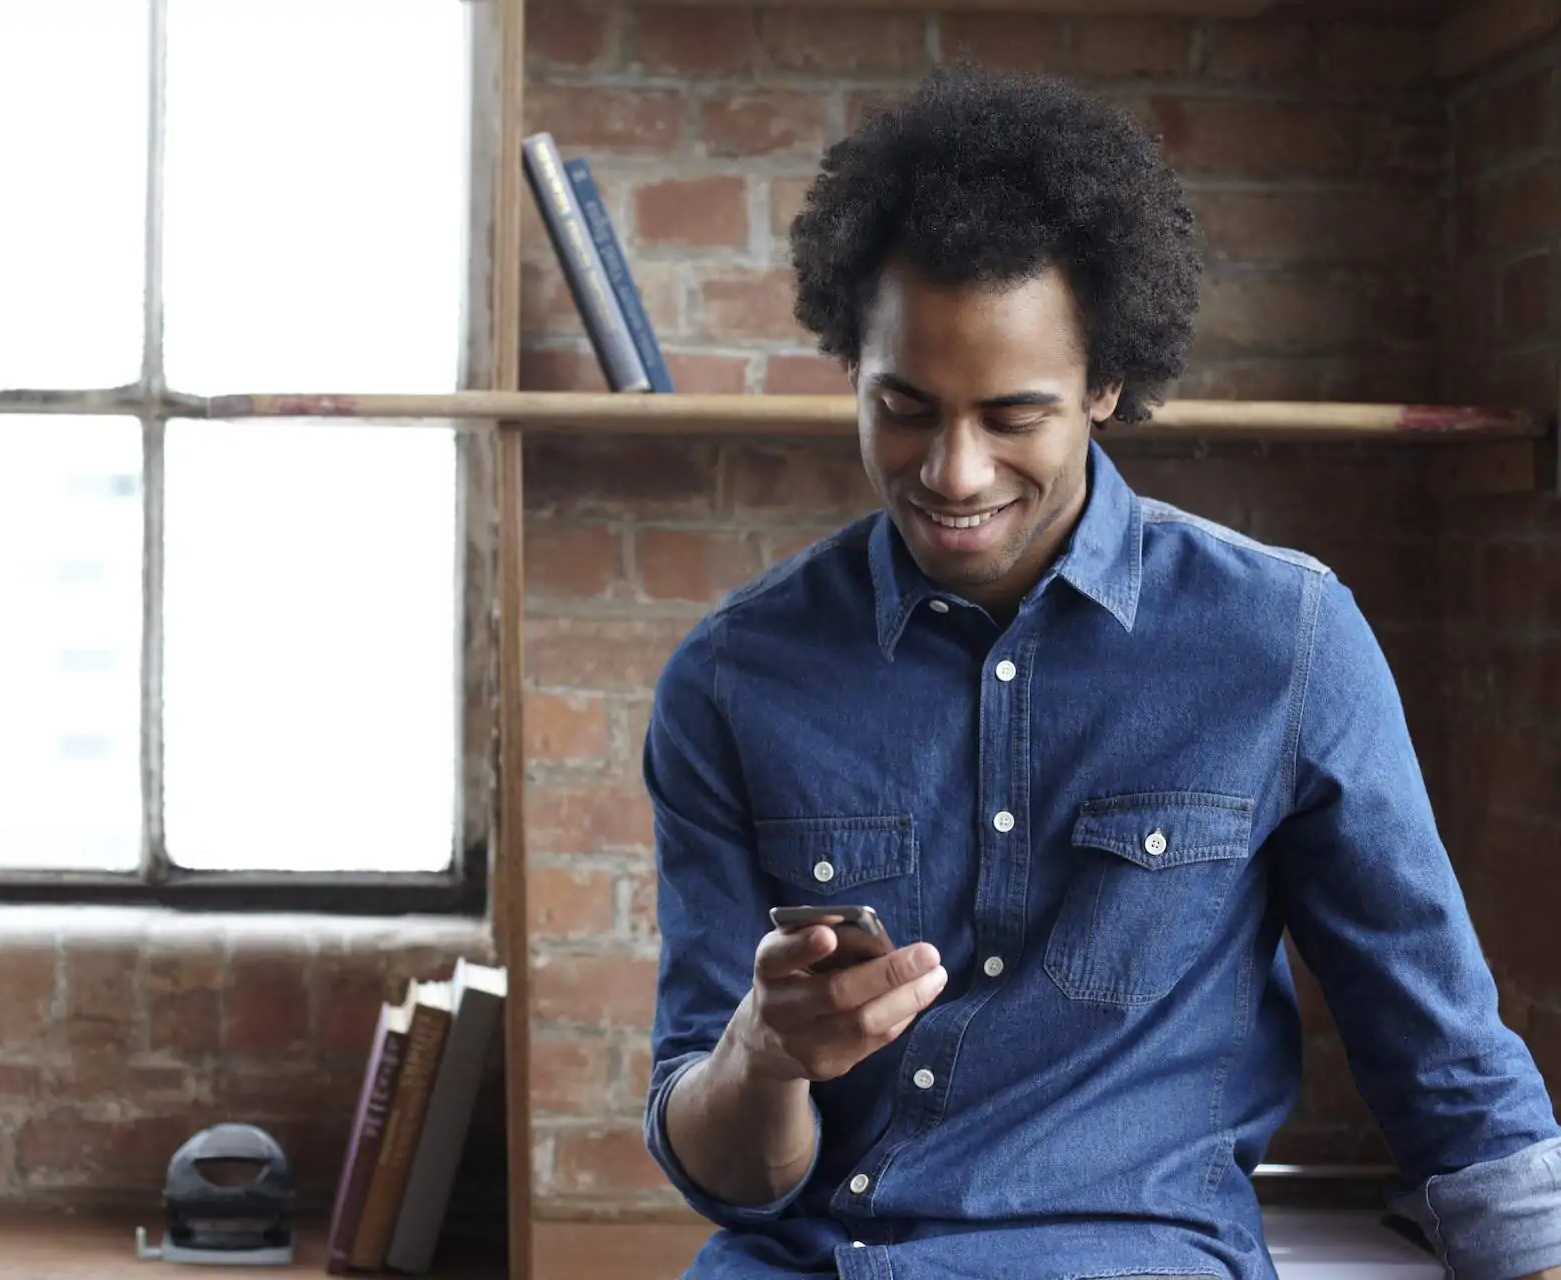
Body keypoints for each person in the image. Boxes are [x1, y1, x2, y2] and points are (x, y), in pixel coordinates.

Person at [639, 66, 1561, 1280]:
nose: (953, 473)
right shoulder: (730, 679)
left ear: (1107, 386)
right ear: (850, 370)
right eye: (903, 407)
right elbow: (728, 1171)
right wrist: (764, 1050)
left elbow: (1442, 1055)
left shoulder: (1284, 641)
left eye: (1014, 416)